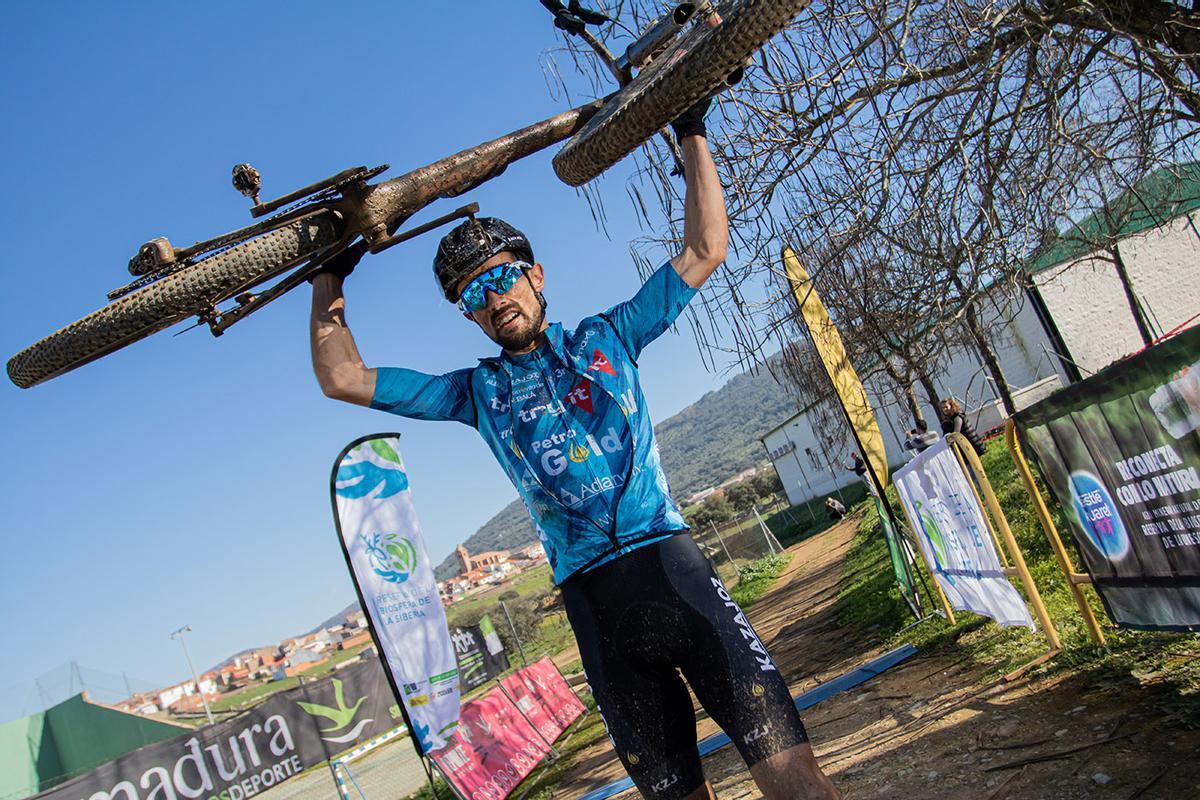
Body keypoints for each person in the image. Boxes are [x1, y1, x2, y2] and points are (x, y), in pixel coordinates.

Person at [309, 101, 838, 800]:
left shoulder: (608, 337)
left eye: (500, 277)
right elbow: (342, 378)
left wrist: (691, 129)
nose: (493, 299)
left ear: (536, 275)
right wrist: (328, 279)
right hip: (597, 612)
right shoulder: (476, 392)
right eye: (473, 296)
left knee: (797, 781)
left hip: (673, 570)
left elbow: (705, 249)